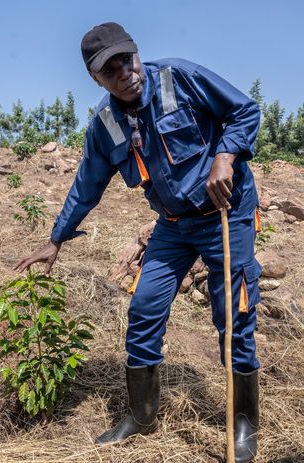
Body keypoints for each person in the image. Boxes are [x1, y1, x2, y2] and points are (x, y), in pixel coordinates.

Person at [14, 22, 262, 462]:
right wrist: (56, 239)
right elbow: (86, 184)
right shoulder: (106, 125)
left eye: (125, 59)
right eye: (109, 69)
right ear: (96, 79)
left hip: (226, 212)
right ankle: (142, 417)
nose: (123, 71)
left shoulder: (179, 77)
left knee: (233, 314)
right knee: (144, 309)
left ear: (136, 53)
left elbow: (245, 111)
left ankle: (243, 424)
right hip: (171, 225)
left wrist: (224, 156)